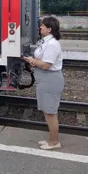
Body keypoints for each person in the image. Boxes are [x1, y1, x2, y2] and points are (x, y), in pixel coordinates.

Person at [24, 16, 64, 150]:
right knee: (49, 112)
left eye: (42, 26)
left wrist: (32, 61)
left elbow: (47, 65)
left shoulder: (52, 44)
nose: (40, 27)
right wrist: (33, 61)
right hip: (45, 80)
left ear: (49, 29)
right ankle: (52, 139)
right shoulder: (46, 41)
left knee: (50, 113)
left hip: (50, 80)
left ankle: (54, 142)